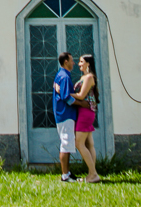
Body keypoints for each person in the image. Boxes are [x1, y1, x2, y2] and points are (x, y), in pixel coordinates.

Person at [52, 51, 84, 182]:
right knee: (66, 144)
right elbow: (66, 97)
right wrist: (82, 103)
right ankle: (65, 175)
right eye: (71, 60)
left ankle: (68, 173)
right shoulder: (64, 77)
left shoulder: (60, 75)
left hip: (63, 114)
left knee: (67, 143)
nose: (74, 63)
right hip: (66, 114)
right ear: (66, 61)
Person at [73, 54, 101, 183]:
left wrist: (64, 93)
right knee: (89, 144)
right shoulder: (84, 77)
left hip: (85, 112)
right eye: (79, 62)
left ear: (88, 63)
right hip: (83, 111)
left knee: (79, 143)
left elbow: (81, 95)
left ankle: (93, 174)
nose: (79, 64)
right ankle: (91, 174)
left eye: (81, 61)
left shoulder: (89, 77)